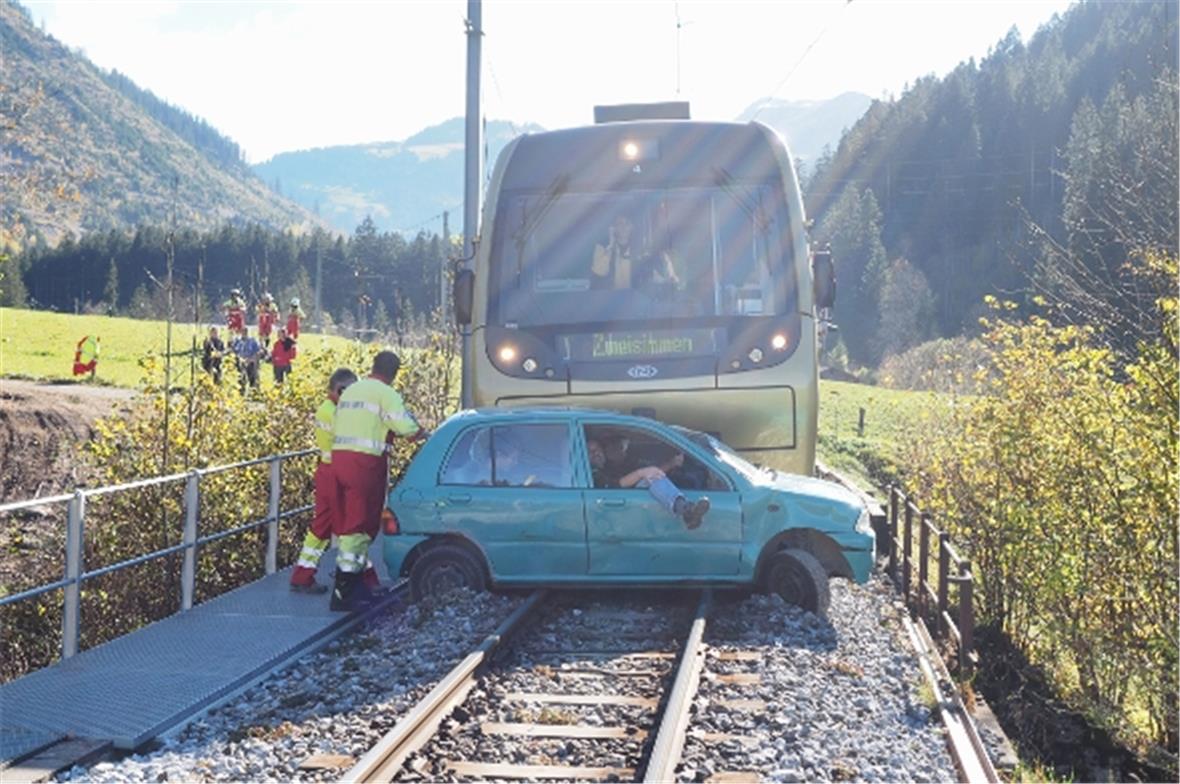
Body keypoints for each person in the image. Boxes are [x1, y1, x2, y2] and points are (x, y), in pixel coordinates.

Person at [329, 350, 427, 611]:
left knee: (353, 521)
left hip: (339, 460)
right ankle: (344, 591)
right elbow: (404, 426)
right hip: (365, 463)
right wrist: (420, 432)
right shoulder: (386, 394)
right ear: (394, 374)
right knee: (359, 525)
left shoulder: (352, 391)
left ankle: (356, 585)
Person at [290, 367, 358, 594]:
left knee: (321, 527)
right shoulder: (334, 413)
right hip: (335, 474)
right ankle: (359, 577)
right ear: (341, 390)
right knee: (350, 527)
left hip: (328, 472)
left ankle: (303, 574)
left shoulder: (327, 409)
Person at [588, 436, 709, 529]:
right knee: (650, 478)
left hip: (629, 506)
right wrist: (642, 472)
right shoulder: (592, 473)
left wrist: (671, 464)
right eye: (590, 452)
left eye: (597, 449)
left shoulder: (611, 466)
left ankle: (685, 509)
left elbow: (648, 474)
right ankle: (686, 510)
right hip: (618, 514)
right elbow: (617, 484)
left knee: (650, 477)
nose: (595, 454)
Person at [591, 215, 638, 289]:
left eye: (627, 223)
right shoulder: (602, 246)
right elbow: (599, 271)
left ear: (632, 227)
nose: (623, 227)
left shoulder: (641, 249)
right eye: (620, 223)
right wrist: (611, 245)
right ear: (614, 228)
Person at [233, 327, 263, 391]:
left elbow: (257, 351)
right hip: (241, 363)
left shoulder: (252, 341)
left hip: (250, 362)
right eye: (242, 332)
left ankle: (253, 393)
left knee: (252, 379)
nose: (244, 334)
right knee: (241, 378)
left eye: (245, 332)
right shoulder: (238, 341)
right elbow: (235, 351)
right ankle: (241, 392)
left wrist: (251, 359)